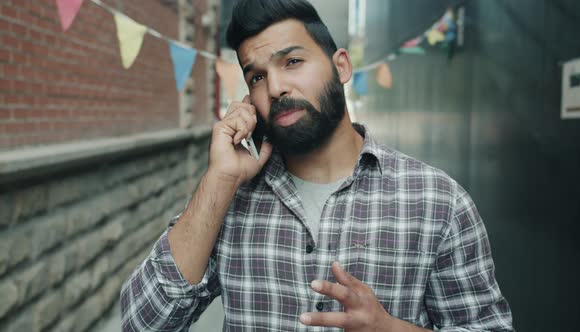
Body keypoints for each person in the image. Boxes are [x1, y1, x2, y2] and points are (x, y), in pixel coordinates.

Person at [120, 0, 514, 331]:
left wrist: (391, 328)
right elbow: (142, 323)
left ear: (341, 67)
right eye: (257, 76)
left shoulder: (437, 201)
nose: (275, 88)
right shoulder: (229, 201)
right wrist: (220, 178)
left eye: (292, 61)